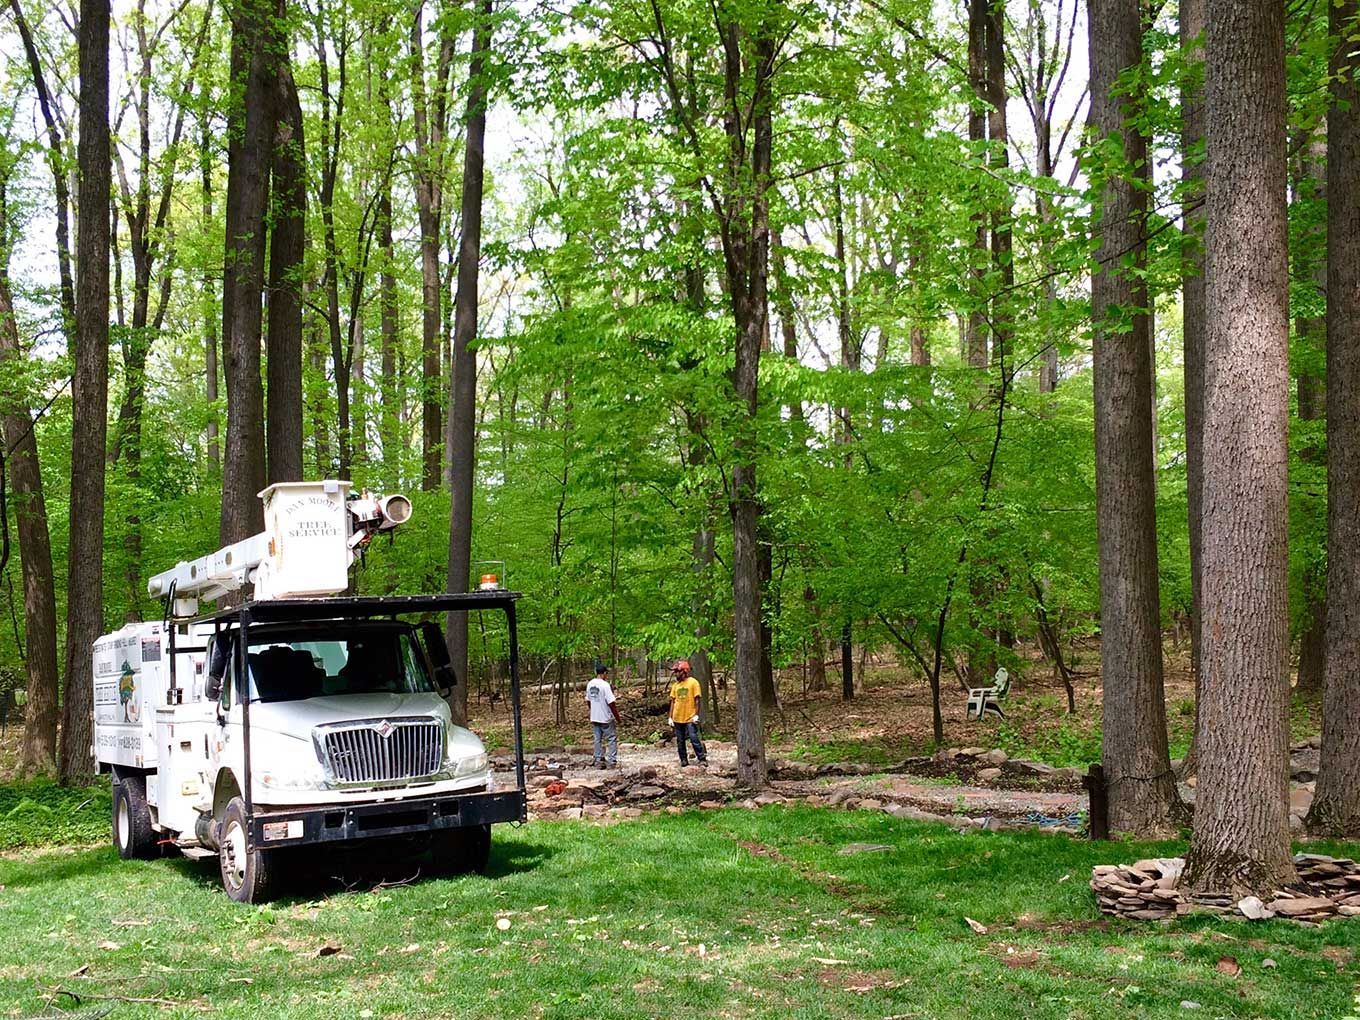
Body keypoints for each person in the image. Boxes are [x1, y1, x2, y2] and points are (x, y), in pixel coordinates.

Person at [668, 660, 707, 766]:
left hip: (690, 717)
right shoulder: (675, 686)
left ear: (684, 671)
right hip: (677, 717)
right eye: (675, 672)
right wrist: (670, 717)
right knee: (680, 741)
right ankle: (683, 760)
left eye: (677, 671)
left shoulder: (693, 683)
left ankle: (702, 758)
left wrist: (696, 715)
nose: (676, 674)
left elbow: (697, 700)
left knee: (693, 737)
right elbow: (672, 701)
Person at [585, 662, 620, 768]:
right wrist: (617, 717)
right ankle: (612, 761)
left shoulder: (590, 684)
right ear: (604, 673)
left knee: (597, 739)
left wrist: (593, 710)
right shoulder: (605, 685)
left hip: (595, 717)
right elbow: (611, 703)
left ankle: (598, 759)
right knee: (611, 738)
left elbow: (588, 700)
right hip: (605, 717)